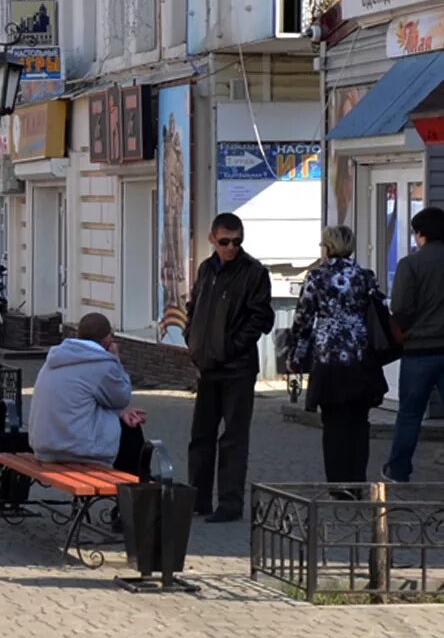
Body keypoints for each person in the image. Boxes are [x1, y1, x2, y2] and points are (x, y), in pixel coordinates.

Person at [184, 212, 275, 522]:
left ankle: (230, 503)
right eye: (225, 242)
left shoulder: (254, 272)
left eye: (237, 242)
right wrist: (192, 339)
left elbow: (261, 318)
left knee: (233, 438)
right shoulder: (206, 269)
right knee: (201, 435)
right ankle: (197, 498)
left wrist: (231, 347)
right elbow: (194, 307)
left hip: (237, 368)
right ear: (212, 239)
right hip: (207, 366)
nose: (231, 247)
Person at [285, 225, 388, 486]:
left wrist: (295, 355)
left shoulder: (317, 278)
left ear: (327, 247)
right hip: (361, 358)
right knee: (359, 422)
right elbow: (380, 310)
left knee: (333, 424)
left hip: (328, 358)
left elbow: (303, 320)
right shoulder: (365, 276)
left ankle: (338, 484)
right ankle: (357, 480)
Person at [30, 313, 151, 477]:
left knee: (125, 422)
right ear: (107, 339)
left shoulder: (56, 358)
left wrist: (120, 414)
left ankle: (134, 487)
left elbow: (82, 401)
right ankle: (136, 488)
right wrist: (115, 358)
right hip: (76, 449)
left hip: (45, 447)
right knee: (131, 431)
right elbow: (121, 397)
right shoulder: (102, 364)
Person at [386, 206, 444, 482]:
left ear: (420, 235)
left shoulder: (410, 264)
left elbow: (401, 307)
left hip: (419, 350)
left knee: (409, 415)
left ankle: (398, 471)